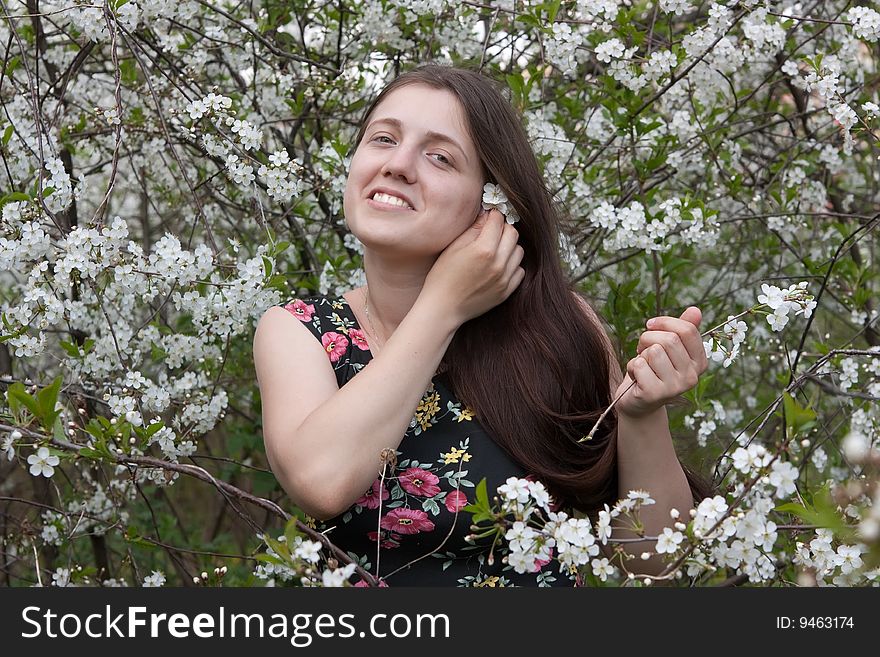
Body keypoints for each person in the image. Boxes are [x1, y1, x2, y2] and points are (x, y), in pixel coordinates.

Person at [253, 64, 712, 587]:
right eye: (382, 139)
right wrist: (444, 304)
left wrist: (642, 416)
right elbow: (321, 480)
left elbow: (654, 564)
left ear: (491, 202)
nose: (398, 165)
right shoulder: (300, 331)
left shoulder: (553, 328)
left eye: (440, 156)